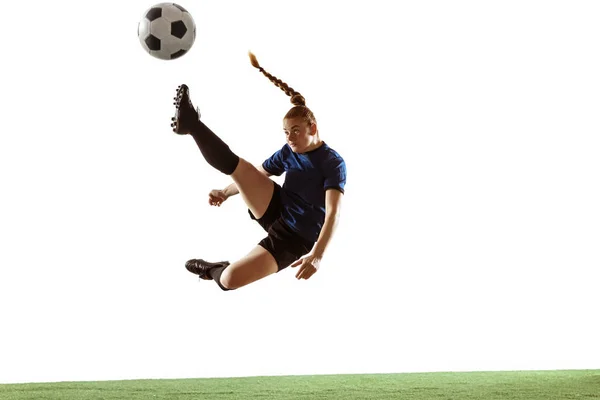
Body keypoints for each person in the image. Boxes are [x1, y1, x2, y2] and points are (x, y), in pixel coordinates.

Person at [170, 52, 347, 291]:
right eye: (286, 132)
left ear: (312, 127)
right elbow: (257, 173)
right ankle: (191, 124)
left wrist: (317, 255)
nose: (290, 138)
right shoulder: (289, 151)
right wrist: (225, 192)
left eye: (295, 131)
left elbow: (333, 214)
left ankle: (213, 269)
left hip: (295, 238)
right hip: (277, 207)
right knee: (238, 167)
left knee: (229, 280)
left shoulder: (332, 162)